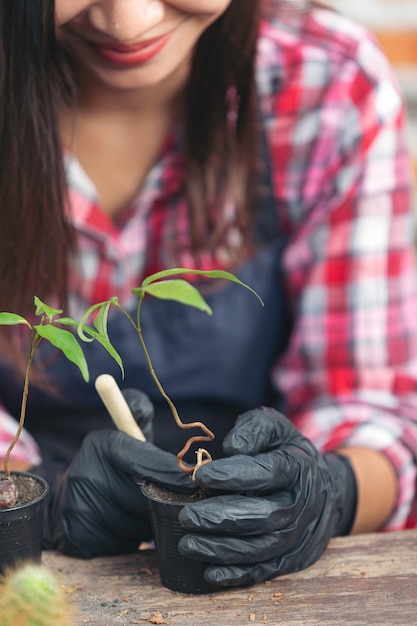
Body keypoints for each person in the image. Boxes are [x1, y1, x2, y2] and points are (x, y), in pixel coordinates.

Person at [1, 0, 417, 589]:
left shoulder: (325, 82)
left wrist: (328, 492)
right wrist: (29, 496)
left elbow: (375, 407)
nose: (129, 21)